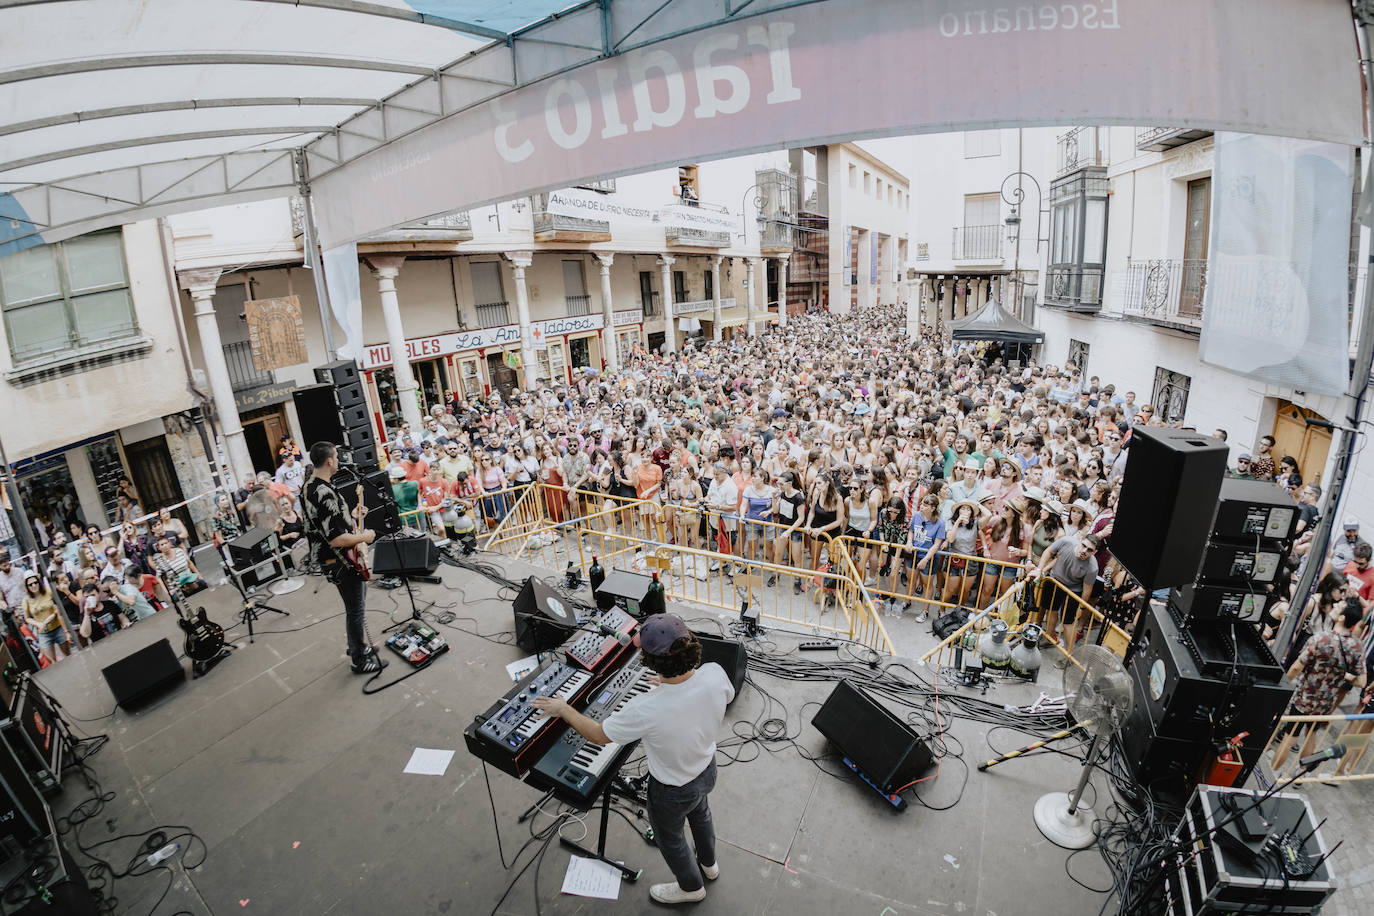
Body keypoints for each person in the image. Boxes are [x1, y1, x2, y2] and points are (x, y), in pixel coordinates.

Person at [532, 614, 733, 905]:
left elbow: (600, 735)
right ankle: (709, 865)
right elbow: (716, 698)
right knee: (701, 814)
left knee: (671, 839)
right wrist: (671, 685)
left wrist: (564, 709)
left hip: (672, 790)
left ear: (652, 662)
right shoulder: (714, 673)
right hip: (706, 770)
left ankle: (691, 887)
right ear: (690, 644)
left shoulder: (646, 708)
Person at [302, 442, 385, 675]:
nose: (338, 460)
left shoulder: (310, 486)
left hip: (333, 558)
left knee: (355, 607)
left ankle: (357, 646)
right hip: (339, 560)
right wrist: (365, 536)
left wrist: (351, 516)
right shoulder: (323, 492)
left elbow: (326, 523)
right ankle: (359, 660)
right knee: (356, 609)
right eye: (337, 457)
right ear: (329, 461)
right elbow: (336, 539)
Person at [1272, 600, 1366, 771]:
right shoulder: (1357, 646)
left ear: (1342, 618)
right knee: (1312, 735)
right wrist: (1344, 675)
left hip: (1305, 698)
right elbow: (1361, 682)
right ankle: (1300, 775)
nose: (1335, 605)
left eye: (1338, 607)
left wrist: (1282, 684)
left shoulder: (1321, 638)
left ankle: (1272, 771)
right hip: (1326, 702)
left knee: (1290, 736)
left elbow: (1296, 667)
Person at [1035, 533, 1101, 665]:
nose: (1084, 551)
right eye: (1084, 546)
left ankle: (1069, 656)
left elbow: (1087, 590)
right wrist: (1039, 569)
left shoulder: (1092, 567)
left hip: (1073, 590)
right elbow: (1048, 551)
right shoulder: (1066, 542)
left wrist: (1081, 609)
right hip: (1054, 580)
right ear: (1080, 540)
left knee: (1068, 623)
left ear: (1095, 552)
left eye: (1089, 550)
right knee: (1051, 610)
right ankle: (1049, 637)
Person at [21, 573, 70, 662]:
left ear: (39, 582)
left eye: (35, 582)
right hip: (43, 632)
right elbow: (27, 618)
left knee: (68, 655)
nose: (34, 585)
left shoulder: (48, 592)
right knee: (51, 661)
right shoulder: (26, 600)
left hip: (57, 627)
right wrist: (37, 623)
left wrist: (55, 614)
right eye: (30, 584)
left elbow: (58, 607)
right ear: (27, 587)